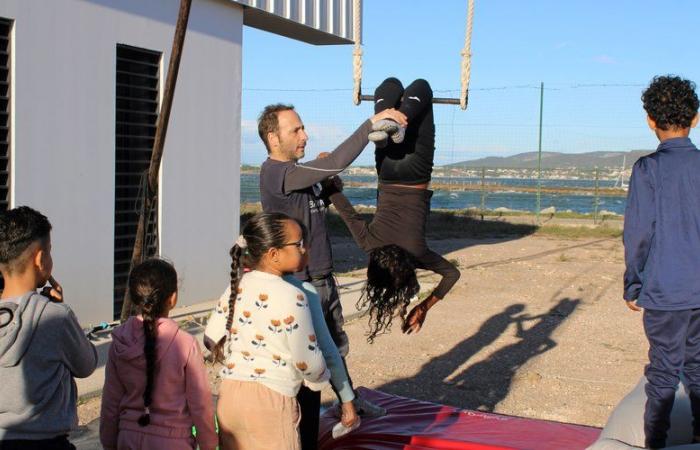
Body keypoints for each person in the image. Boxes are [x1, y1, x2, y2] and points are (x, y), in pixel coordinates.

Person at [257, 104, 404, 447]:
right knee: (306, 368)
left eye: (303, 128)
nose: (304, 135)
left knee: (335, 349)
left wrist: (324, 180)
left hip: (322, 276)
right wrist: (370, 126)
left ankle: (347, 400)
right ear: (272, 137)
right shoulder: (275, 174)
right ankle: (303, 435)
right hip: (299, 284)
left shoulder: (298, 173)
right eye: (295, 130)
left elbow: (325, 179)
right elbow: (336, 160)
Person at [324, 78, 461, 342]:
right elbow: (346, 211)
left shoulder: (419, 255)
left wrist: (423, 307)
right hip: (387, 170)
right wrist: (328, 180)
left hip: (418, 171)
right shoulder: (369, 245)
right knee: (389, 84)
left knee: (422, 86)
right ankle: (389, 123)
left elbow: (452, 274)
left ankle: (398, 120)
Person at [204, 212, 332, 450]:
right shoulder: (293, 295)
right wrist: (320, 379)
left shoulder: (237, 286)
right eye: (299, 244)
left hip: (230, 396)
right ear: (274, 254)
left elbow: (211, 338)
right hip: (271, 403)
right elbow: (308, 362)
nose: (304, 249)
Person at [623, 75, 700, 449]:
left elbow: (639, 233)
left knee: (664, 373)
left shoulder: (647, 170)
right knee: (699, 367)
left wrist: (633, 283)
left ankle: (656, 442)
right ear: (696, 118)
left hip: (664, 291)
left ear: (650, 120)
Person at [0, 206, 98, 449]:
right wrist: (58, 309)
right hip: (48, 443)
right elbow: (86, 364)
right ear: (40, 258)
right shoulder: (56, 318)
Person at [100, 259, 218, 450]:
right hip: (173, 441)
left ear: (135, 297)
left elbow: (110, 402)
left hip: (127, 438)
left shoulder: (119, 342)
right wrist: (209, 444)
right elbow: (200, 404)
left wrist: (109, 442)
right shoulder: (186, 344)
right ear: (172, 299)